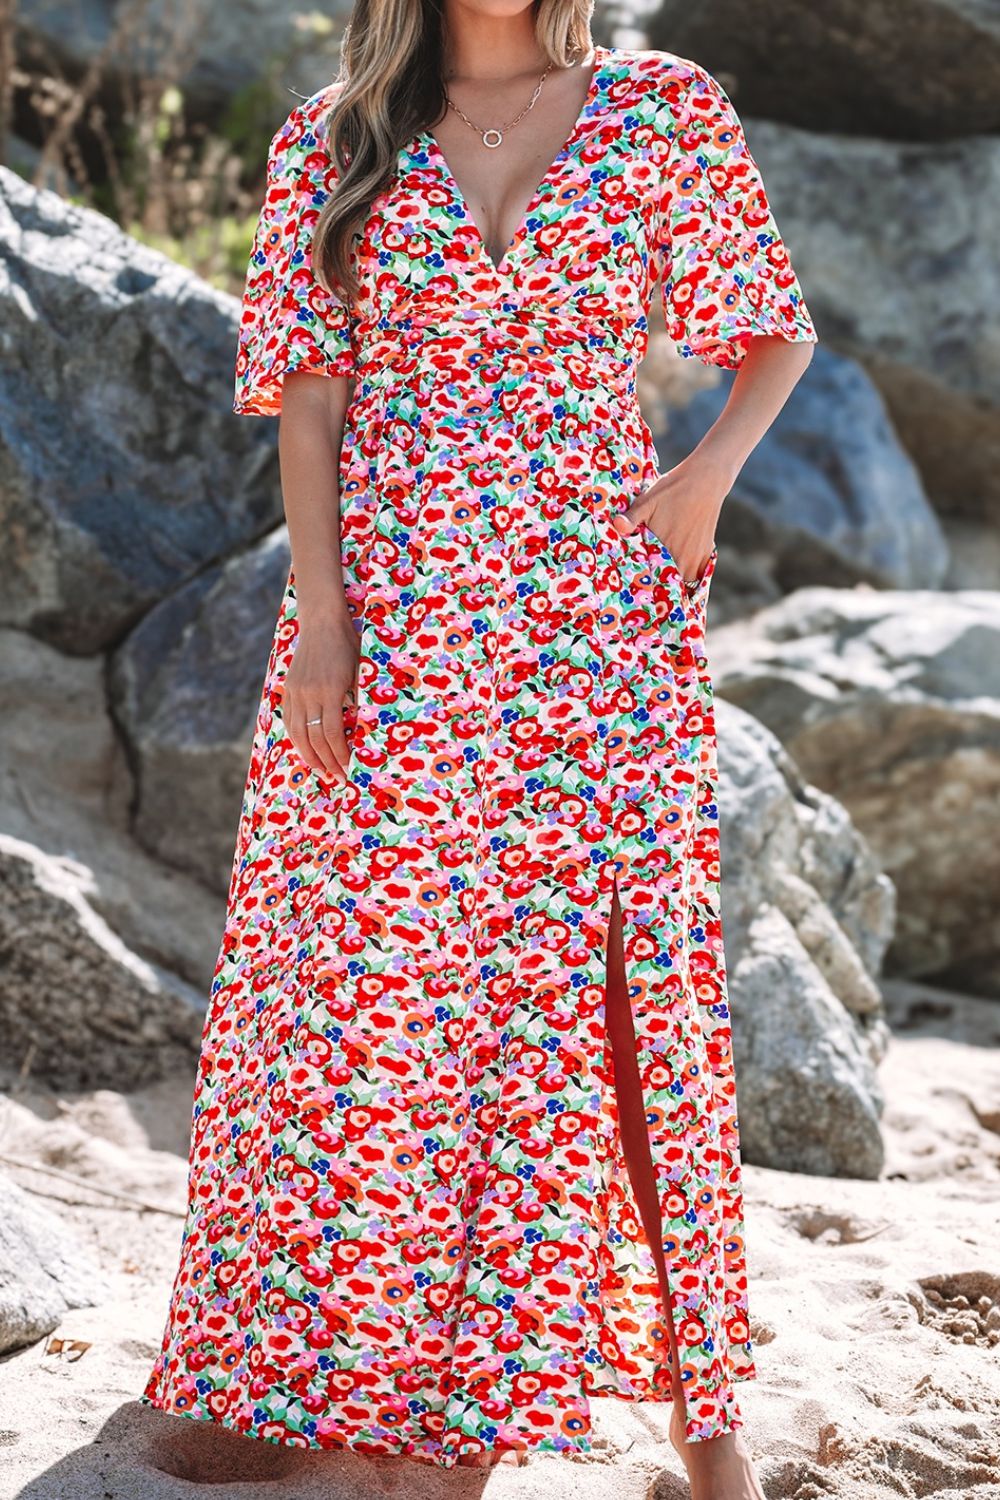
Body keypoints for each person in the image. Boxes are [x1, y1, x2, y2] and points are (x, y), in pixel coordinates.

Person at [141, 0, 817, 1491]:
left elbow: (774, 334)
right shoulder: (333, 139)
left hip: (596, 619)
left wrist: (705, 478)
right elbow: (309, 408)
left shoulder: (662, 110)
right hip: (396, 622)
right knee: (361, 994)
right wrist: (323, 620)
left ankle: (707, 1426)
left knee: (619, 984)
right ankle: (335, 1378)